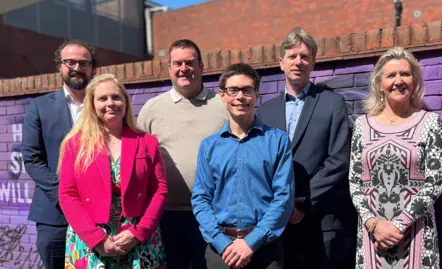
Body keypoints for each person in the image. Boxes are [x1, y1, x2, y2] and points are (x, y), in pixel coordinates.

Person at [256, 27, 357, 269]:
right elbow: (260, 164)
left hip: (320, 220)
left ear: (313, 62)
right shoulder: (264, 111)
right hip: (277, 225)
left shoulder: (332, 103)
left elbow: (339, 160)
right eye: (292, 56)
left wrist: (302, 203)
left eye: (304, 56)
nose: (298, 62)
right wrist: (283, 205)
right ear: (281, 63)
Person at [58, 74, 168, 268]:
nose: (111, 103)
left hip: (137, 240)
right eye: (102, 98)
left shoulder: (146, 142)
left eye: (116, 97)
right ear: (91, 104)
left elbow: (159, 190)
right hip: (91, 242)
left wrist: (139, 233)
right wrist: (97, 239)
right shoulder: (76, 144)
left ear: (125, 102)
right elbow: (68, 195)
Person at [348, 47, 442, 269]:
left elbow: (434, 183)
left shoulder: (430, 123)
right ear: (380, 84)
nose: (399, 81)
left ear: (414, 81)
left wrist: (399, 224)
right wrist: (374, 225)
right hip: (373, 239)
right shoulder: (362, 126)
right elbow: (355, 183)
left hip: (418, 238)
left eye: (405, 74)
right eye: (391, 75)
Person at [192, 63, 294, 269]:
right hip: (221, 251)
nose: (240, 96)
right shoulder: (209, 146)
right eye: (233, 90)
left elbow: (283, 197)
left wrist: (251, 242)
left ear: (257, 94)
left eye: (247, 90)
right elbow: (200, 198)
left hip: (265, 248)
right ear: (222, 95)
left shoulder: (278, 141)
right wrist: (222, 243)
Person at [137, 39, 228, 269]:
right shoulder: (152, 108)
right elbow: (139, 161)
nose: (183, 68)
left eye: (189, 62)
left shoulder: (223, 106)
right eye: (177, 63)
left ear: (201, 67)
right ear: (169, 69)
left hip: (213, 215)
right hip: (165, 216)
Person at [22, 39, 98, 268]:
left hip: (99, 214)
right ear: (60, 66)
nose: (76, 67)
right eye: (70, 62)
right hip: (53, 216)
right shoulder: (39, 107)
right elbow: (32, 159)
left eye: (83, 63)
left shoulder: (103, 105)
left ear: (93, 68)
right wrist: (65, 195)